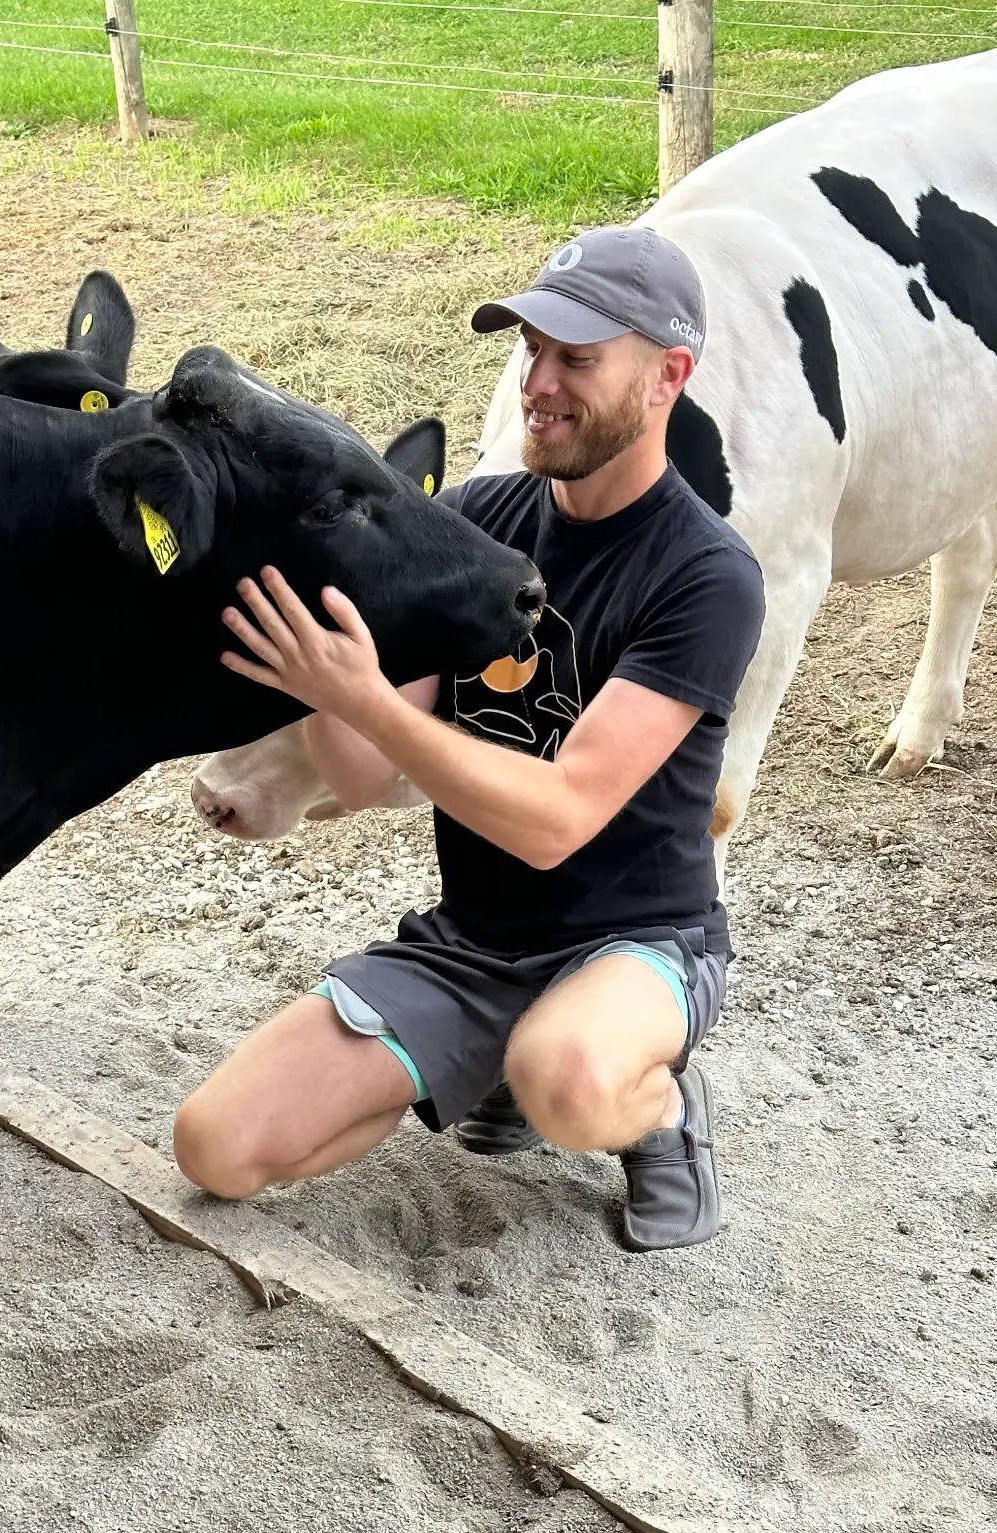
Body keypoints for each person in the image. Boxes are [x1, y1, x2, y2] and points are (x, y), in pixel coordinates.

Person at [173, 227, 765, 1251]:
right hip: (475, 946)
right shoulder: (475, 521)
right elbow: (359, 773)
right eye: (531, 349)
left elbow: (561, 819)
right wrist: (327, 616)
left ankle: (658, 1106)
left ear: (669, 374)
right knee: (214, 1146)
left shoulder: (706, 574)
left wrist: (368, 697)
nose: (538, 382)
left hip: (638, 945)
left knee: (567, 1073)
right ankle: (484, 1054)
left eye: (576, 359)